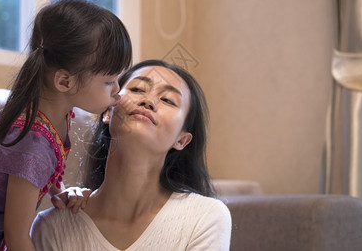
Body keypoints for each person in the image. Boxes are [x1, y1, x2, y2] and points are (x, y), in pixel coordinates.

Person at [0, 0, 132, 251]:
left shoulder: (48, 109)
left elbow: (32, 170)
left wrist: (57, 190)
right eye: (109, 81)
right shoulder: (32, 145)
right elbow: (17, 238)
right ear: (64, 82)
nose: (118, 89)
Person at [31, 60, 232, 250]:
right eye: (137, 89)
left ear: (181, 140)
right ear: (108, 112)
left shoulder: (205, 217)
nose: (148, 101)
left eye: (168, 100)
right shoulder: (51, 227)